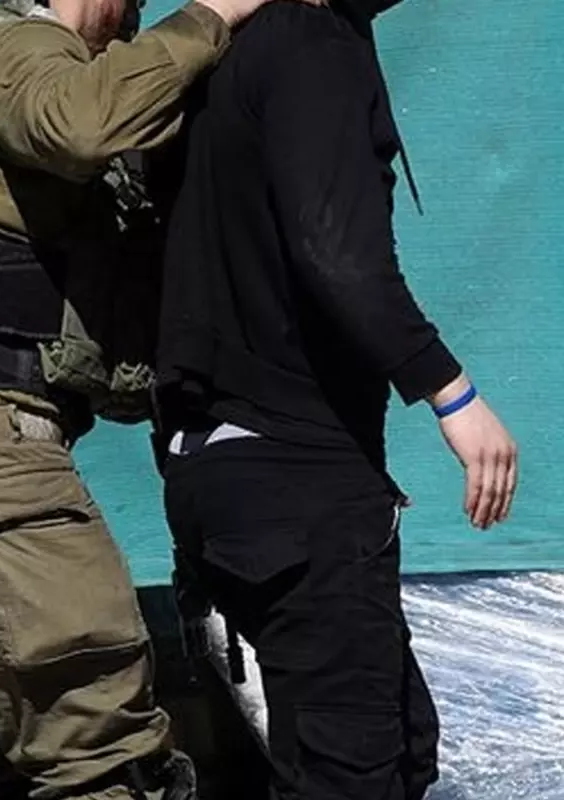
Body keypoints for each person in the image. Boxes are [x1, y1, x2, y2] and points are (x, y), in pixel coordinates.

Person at [0, 0, 320, 798]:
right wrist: (216, 13)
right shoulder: (19, 47)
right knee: (107, 766)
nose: (130, 26)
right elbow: (80, 125)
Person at [150, 1, 520, 798]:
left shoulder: (213, 61)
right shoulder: (311, 45)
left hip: (217, 471)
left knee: (402, 747)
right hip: (293, 474)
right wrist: (451, 392)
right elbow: (335, 251)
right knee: (353, 774)